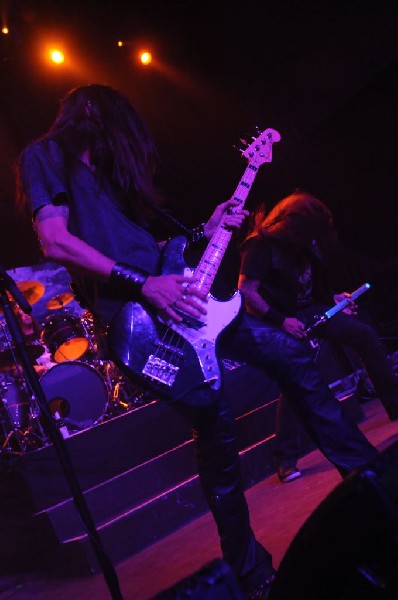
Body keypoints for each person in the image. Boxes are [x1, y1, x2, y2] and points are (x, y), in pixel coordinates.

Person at [16, 84, 379, 599]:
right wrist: (142, 283)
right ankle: (251, 573)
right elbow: (54, 241)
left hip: (190, 303)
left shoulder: (112, 178)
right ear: (94, 115)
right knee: (219, 434)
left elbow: (148, 246)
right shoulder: (45, 156)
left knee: (293, 353)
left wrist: (201, 231)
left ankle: (369, 482)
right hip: (141, 321)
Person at [238, 190, 398, 484]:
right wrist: (281, 321)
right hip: (279, 319)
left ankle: (394, 403)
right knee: (298, 380)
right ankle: (285, 458)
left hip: (311, 310)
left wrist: (335, 299)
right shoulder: (259, 245)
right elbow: (248, 293)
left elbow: (312, 286)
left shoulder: (304, 244)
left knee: (363, 334)